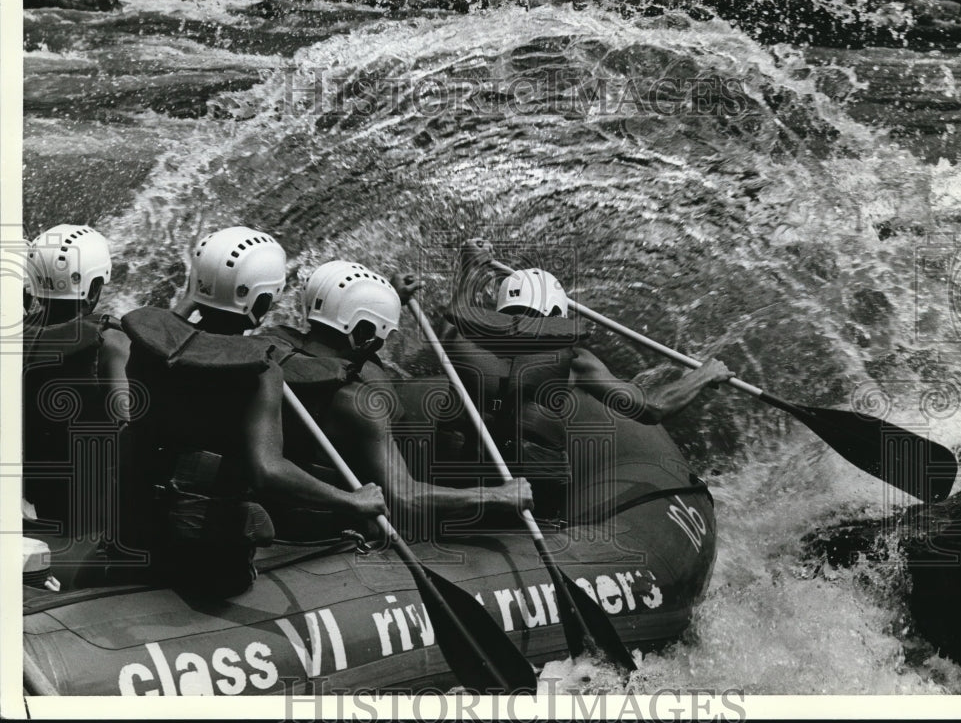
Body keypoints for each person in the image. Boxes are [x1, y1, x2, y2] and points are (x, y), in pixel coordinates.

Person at [120, 227, 387, 597]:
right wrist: (353, 501)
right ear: (262, 302)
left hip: (135, 532)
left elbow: (175, 327)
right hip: (208, 562)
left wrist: (198, 295)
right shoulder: (261, 371)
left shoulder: (148, 346)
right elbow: (269, 471)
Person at [439, 238, 734, 519]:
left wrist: (471, 267)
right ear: (556, 311)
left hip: (462, 494)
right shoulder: (575, 361)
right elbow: (652, 407)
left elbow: (460, 311)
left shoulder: (456, 341)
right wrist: (704, 374)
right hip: (533, 503)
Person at [260, 260, 533, 544]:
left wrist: (385, 299)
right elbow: (405, 498)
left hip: (285, 501)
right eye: (380, 334)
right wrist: (497, 495)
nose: (380, 342)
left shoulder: (272, 347)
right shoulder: (359, 404)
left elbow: (347, 330)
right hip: (336, 525)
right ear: (364, 334)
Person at [22, 224, 131, 543]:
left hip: (35, 493)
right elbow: (130, 426)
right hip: (91, 511)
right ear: (94, 288)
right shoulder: (111, 343)